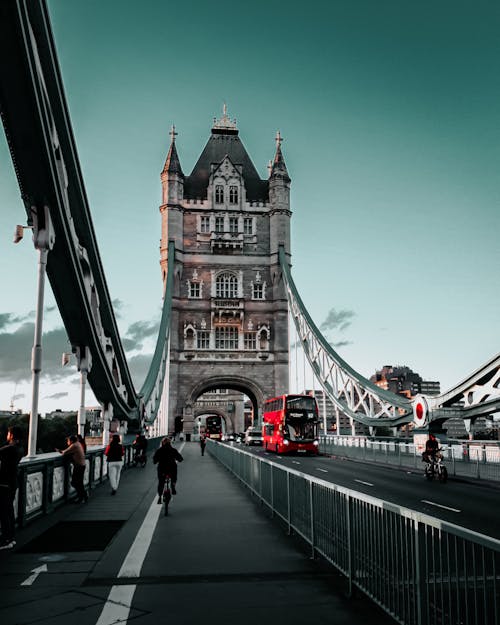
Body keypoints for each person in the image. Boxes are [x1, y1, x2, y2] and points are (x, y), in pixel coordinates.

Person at [0, 426, 24, 550]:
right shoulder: (19, 449)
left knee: (4, 512)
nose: (7, 435)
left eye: (8, 433)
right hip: (12, 482)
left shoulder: (9, 449)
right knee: (9, 511)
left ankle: (6, 540)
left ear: (12, 436)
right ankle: (11, 537)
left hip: (5, 483)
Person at [57, 435, 87, 503]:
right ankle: (83, 496)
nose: (67, 442)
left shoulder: (74, 445)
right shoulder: (78, 443)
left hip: (79, 466)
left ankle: (82, 497)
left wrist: (58, 450)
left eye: (68, 441)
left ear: (71, 441)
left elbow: (64, 452)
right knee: (79, 482)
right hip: (82, 465)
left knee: (75, 482)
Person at [153, 437, 183, 504]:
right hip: (171, 469)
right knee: (174, 477)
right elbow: (180, 459)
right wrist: (178, 459)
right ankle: (173, 487)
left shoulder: (159, 450)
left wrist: (156, 460)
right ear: (170, 443)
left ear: (162, 443)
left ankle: (160, 497)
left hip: (162, 469)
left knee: (161, 482)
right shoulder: (173, 450)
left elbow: (154, 461)